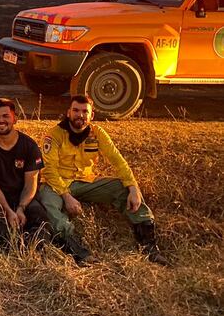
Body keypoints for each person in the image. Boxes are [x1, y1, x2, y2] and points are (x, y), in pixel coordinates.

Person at [38, 95, 168, 265]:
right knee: (47, 203)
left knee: (122, 188)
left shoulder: (97, 133)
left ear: (91, 115)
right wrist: (66, 196)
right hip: (56, 184)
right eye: (76, 110)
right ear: (68, 112)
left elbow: (117, 160)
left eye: (85, 111)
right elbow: (49, 170)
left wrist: (133, 187)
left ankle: (149, 247)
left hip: (85, 181)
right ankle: (78, 252)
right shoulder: (53, 135)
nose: (80, 115)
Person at [0, 98, 51, 249]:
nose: (1, 120)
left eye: (6, 116)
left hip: (22, 197)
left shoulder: (30, 146)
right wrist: (8, 211)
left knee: (40, 217)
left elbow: (30, 185)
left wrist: (21, 208)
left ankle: (32, 246)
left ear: (15, 118)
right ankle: (10, 243)